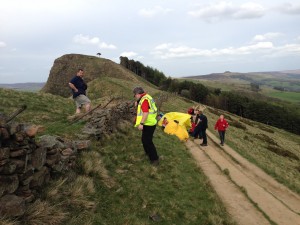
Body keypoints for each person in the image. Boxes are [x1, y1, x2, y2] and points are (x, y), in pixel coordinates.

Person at [133, 87, 159, 166]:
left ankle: (155, 159)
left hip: (148, 124)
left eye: (134, 95)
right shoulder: (147, 97)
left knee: (148, 141)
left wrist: (141, 124)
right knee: (144, 140)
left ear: (138, 94)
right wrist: (137, 103)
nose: (134, 97)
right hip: (150, 123)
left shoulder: (144, 100)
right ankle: (148, 153)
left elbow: (145, 113)